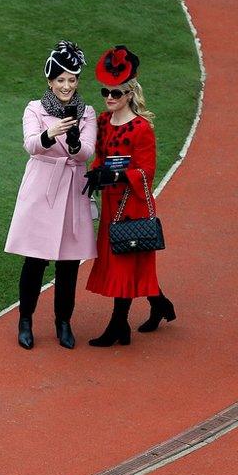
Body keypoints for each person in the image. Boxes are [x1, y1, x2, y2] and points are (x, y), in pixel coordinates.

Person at [4, 40, 98, 350]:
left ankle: (63, 322)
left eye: (72, 80)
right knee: (35, 259)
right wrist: (51, 133)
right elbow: (31, 144)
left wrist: (73, 144)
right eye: (61, 80)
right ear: (50, 81)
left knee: (69, 263)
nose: (67, 85)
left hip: (72, 189)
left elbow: (87, 152)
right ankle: (26, 319)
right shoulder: (35, 108)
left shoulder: (87, 113)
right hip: (42, 187)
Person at [84, 45, 176, 346]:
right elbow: (99, 157)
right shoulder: (101, 122)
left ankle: (118, 326)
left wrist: (120, 175)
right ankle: (161, 305)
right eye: (105, 92)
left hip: (132, 203)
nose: (109, 98)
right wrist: (97, 174)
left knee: (125, 263)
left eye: (116, 93)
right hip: (112, 204)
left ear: (129, 95)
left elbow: (146, 172)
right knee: (129, 263)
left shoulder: (141, 129)